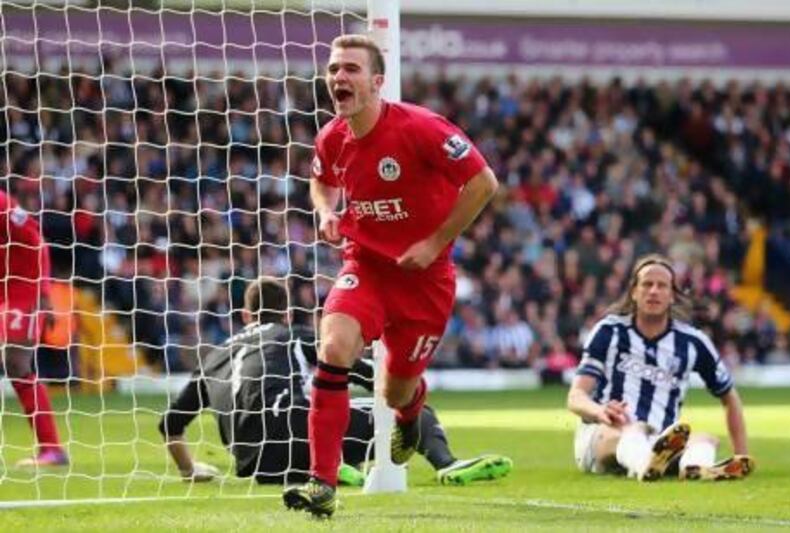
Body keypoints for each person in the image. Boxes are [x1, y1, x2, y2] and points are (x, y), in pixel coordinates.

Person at [283, 34, 498, 517]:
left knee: (394, 389)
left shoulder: (421, 128)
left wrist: (434, 242)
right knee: (334, 348)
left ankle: (411, 409)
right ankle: (322, 482)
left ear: (377, 81)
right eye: (334, 69)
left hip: (426, 280)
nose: (339, 77)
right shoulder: (331, 136)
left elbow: (484, 182)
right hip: (367, 267)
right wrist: (326, 211)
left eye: (351, 69)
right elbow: (321, 179)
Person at [158, 278, 512, 487]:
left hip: (252, 463)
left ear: (245, 316)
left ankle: (333, 468)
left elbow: (170, 424)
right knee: (413, 410)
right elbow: (356, 372)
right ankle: (446, 463)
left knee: (312, 420)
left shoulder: (214, 356)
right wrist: (399, 382)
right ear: (286, 313)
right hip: (295, 430)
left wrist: (190, 469)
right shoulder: (291, 334)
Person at [567, 254, 753, 482]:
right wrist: (599, 411)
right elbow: (575, 397)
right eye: (647, 284)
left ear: (673, 295)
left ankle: (696, 469)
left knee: (704, 440)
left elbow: (729, 397)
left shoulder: (692, 342)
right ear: (634, 292)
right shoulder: (610, 332)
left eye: (662, 285)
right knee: (632, 431)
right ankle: (646, 464)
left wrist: (741, 455)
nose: (653, 291)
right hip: (602, 436)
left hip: (661, 440)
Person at [0, 189, 67, 466]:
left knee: (16, 363)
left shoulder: (2, 204)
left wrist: (44, 295)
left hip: (22, 288)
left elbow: (36, 241)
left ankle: (52, 449)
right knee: (16, 365)